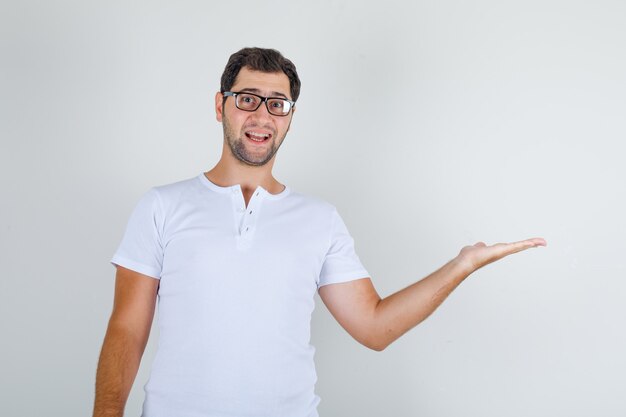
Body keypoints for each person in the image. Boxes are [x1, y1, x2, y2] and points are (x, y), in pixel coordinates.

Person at [93, 47, 546, 417]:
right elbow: (127, 329)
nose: (262, 115)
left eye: (277, 104)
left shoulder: (319, 219)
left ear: (289, 117)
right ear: (221, 105)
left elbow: (374, 327)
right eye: (247, 99)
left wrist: (461, 266)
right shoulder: (163, 206)